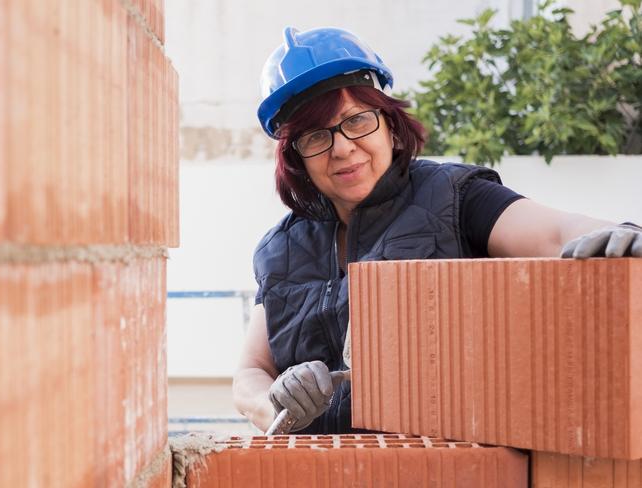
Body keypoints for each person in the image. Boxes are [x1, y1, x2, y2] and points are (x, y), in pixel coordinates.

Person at [232, 26, 642, 434]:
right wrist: (276, 406)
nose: (342, 148)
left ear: (390, 126)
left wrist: (619, 233)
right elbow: (251, 371)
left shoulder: (454, 197)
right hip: (316, 470)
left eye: (357, 121)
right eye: (316, 136)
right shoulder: (279, 250)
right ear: (296, 157)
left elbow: (556, 232)